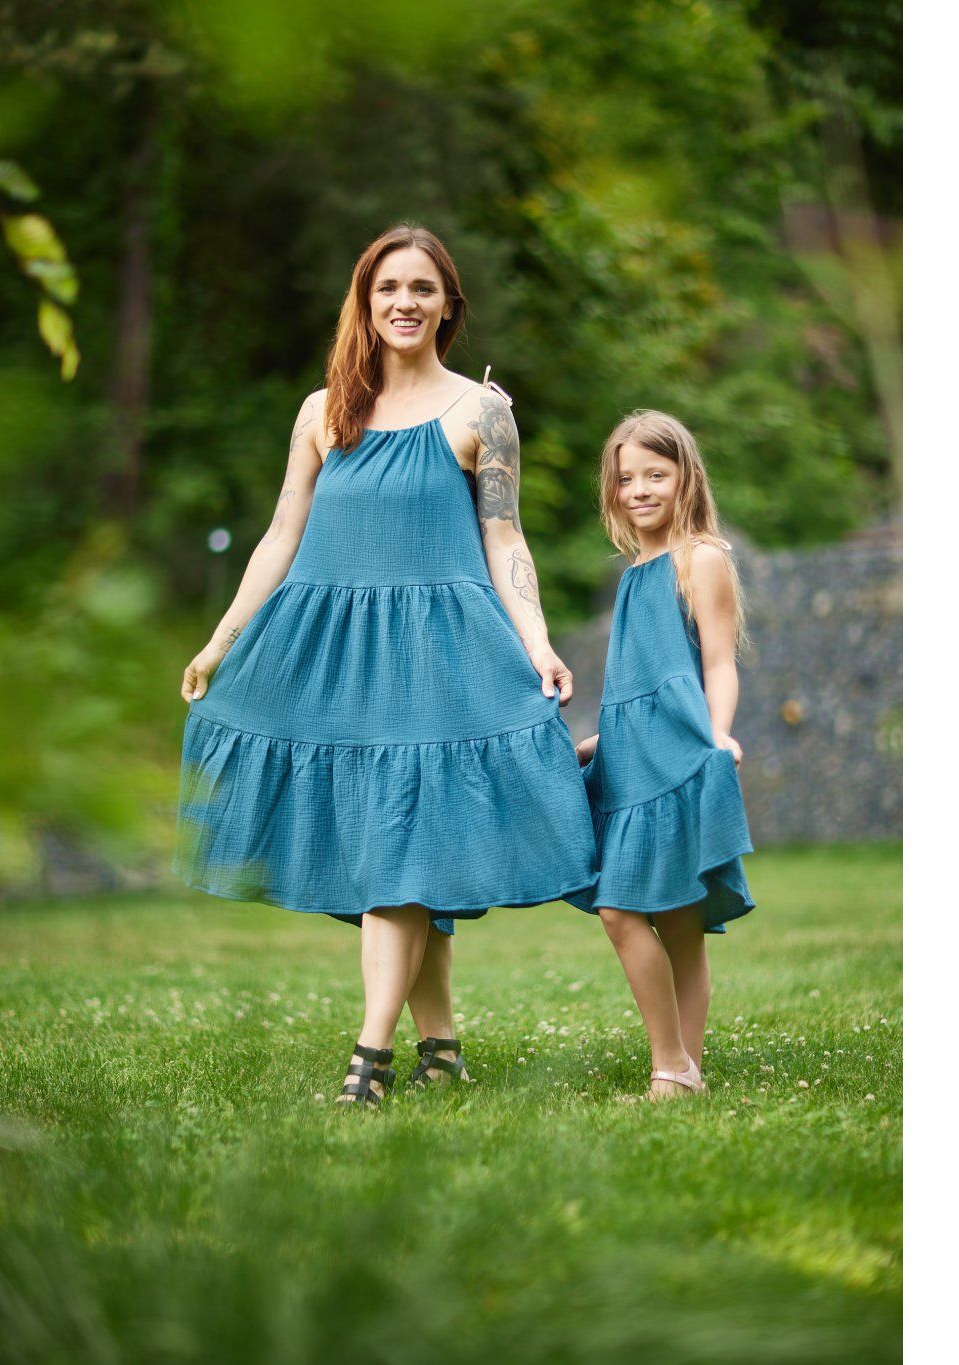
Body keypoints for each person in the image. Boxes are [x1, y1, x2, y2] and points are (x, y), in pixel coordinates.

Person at [174, 224, 596, 1105]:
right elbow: (281, 535)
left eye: (422, 288)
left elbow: (505, 538)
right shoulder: (321, 411)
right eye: (388, 287)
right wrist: (221, 641)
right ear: (365, 303)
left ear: (448, 307)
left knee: (400, 849)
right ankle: (440, 1046)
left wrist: (538, 641)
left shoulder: (483, 414)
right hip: (336, 662)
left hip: (440, 658)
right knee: (399, 854)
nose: (405, 302)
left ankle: (369, 1058)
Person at [568, 410, 755, 1100]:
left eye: (656, 474)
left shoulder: (700, 559)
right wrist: (599, 741)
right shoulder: (632, 575)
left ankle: (676, 1068)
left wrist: (717, 734)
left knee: (669, 918)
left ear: (685, 478)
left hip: (677, 761)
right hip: (630, 764)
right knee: (627, 911)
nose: (640, 489)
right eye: (627, 479)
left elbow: (718, 664)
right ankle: (678, 1066)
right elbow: (639, 684)